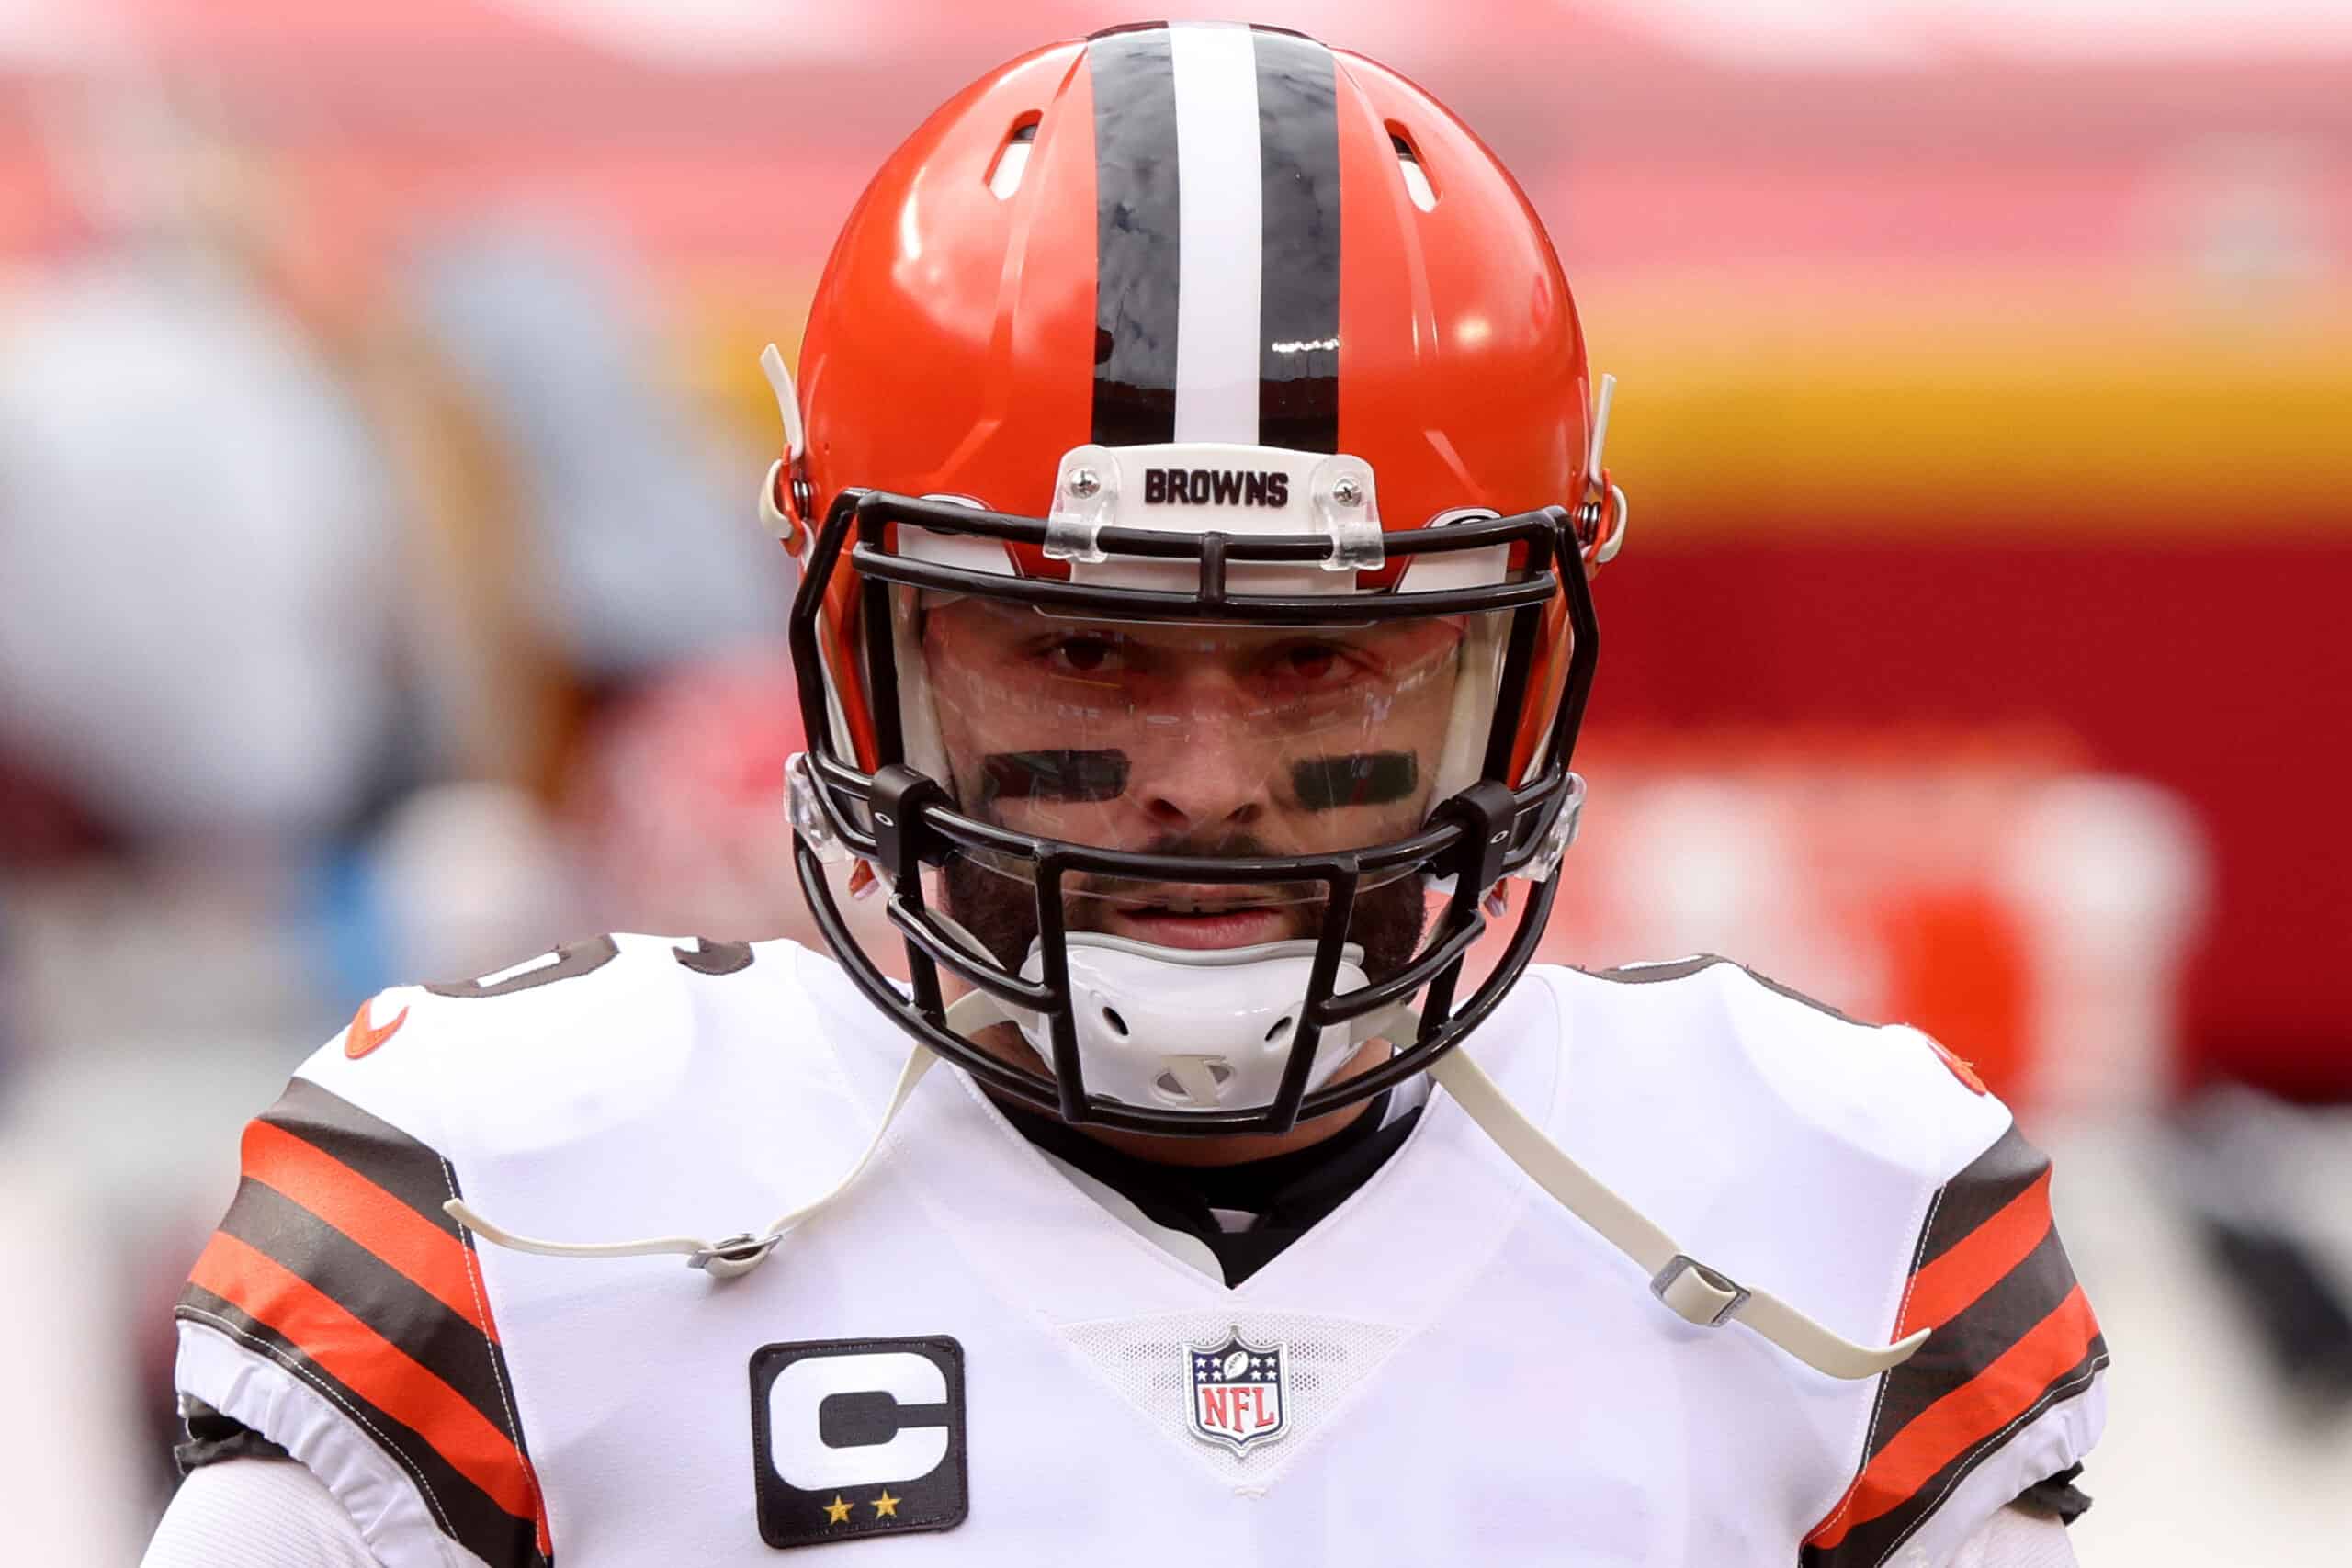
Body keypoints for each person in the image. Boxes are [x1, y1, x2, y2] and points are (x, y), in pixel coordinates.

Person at [140, 24, 2104, 1567]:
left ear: (1510, 663)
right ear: (861, 644)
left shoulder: (1825, 1214)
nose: (1198, 781)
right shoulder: (517, 1204)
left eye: (1321, 658)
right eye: (1077, 652)